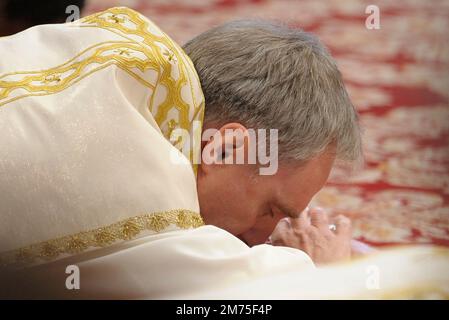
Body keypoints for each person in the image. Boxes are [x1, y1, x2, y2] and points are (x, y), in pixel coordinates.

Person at [0, 7, 447, 299]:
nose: (263, 234)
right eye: (272, 208)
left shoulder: (123, 42)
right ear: (227, 149)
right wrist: (327, 273)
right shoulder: (133, 184)